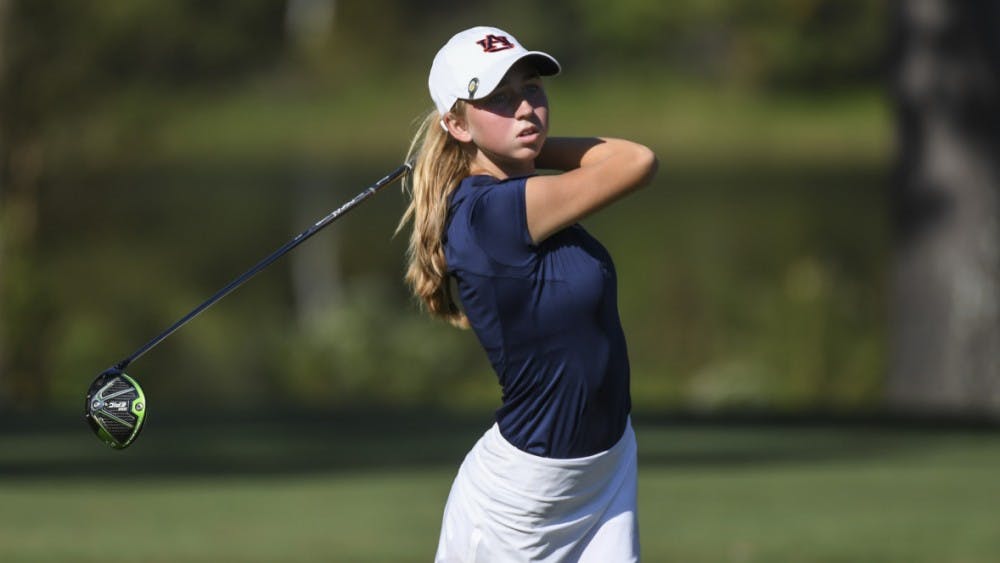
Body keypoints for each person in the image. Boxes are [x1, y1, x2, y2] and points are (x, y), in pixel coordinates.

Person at [397, 26, 658, 562]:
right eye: (497, 98)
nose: (525, 109)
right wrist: (531, 150)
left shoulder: (517, 196)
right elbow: (635, 162)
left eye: (532, 89)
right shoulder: (492, 213)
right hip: (524, 500)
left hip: (604, 469)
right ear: (455, 122)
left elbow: (628, 159)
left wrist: (518, 147)